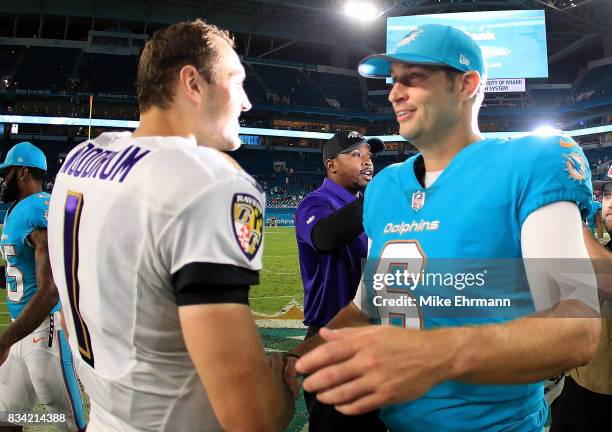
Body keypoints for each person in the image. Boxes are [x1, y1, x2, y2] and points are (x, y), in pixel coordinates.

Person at [285, 24, 601, 431]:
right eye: (394, 80)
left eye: (413, 78)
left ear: (466, 84)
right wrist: (298, 358)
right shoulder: (384, 188)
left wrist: (437, 353)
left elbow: (577, 329)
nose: (396, 92)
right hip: (388, 422)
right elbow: (367, 307)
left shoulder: (533, 162)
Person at [47, 20, 295, 431]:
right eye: (237, 81)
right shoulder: (210, 181)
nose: (247, 102)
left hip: (107, 418)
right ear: (193, 83)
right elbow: (252, 417)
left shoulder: (81, 158)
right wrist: (283, 385)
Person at [294, 130, 386, 432]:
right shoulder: (316, 202)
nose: (368, 162)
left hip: (373, 331)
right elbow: (324, 237)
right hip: (331, 334)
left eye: (370, 156)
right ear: (332, 165)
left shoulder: (368, 205)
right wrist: (378, 197)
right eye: (357, 155)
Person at [0, 142, 86, 431]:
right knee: (8, 419)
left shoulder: (38, 208)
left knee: (70, 424)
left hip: (44, 334)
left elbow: (49, 291)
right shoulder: (18, 210)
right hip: (22, 332)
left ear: (22, 172)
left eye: (8, 172)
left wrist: (5, 339)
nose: (3, 178)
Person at [550, 178, 612, 431]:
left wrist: (578, 226)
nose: (610, 202)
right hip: (580, 389)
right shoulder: (603, 248)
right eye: (608, 194)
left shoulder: (597, 253)